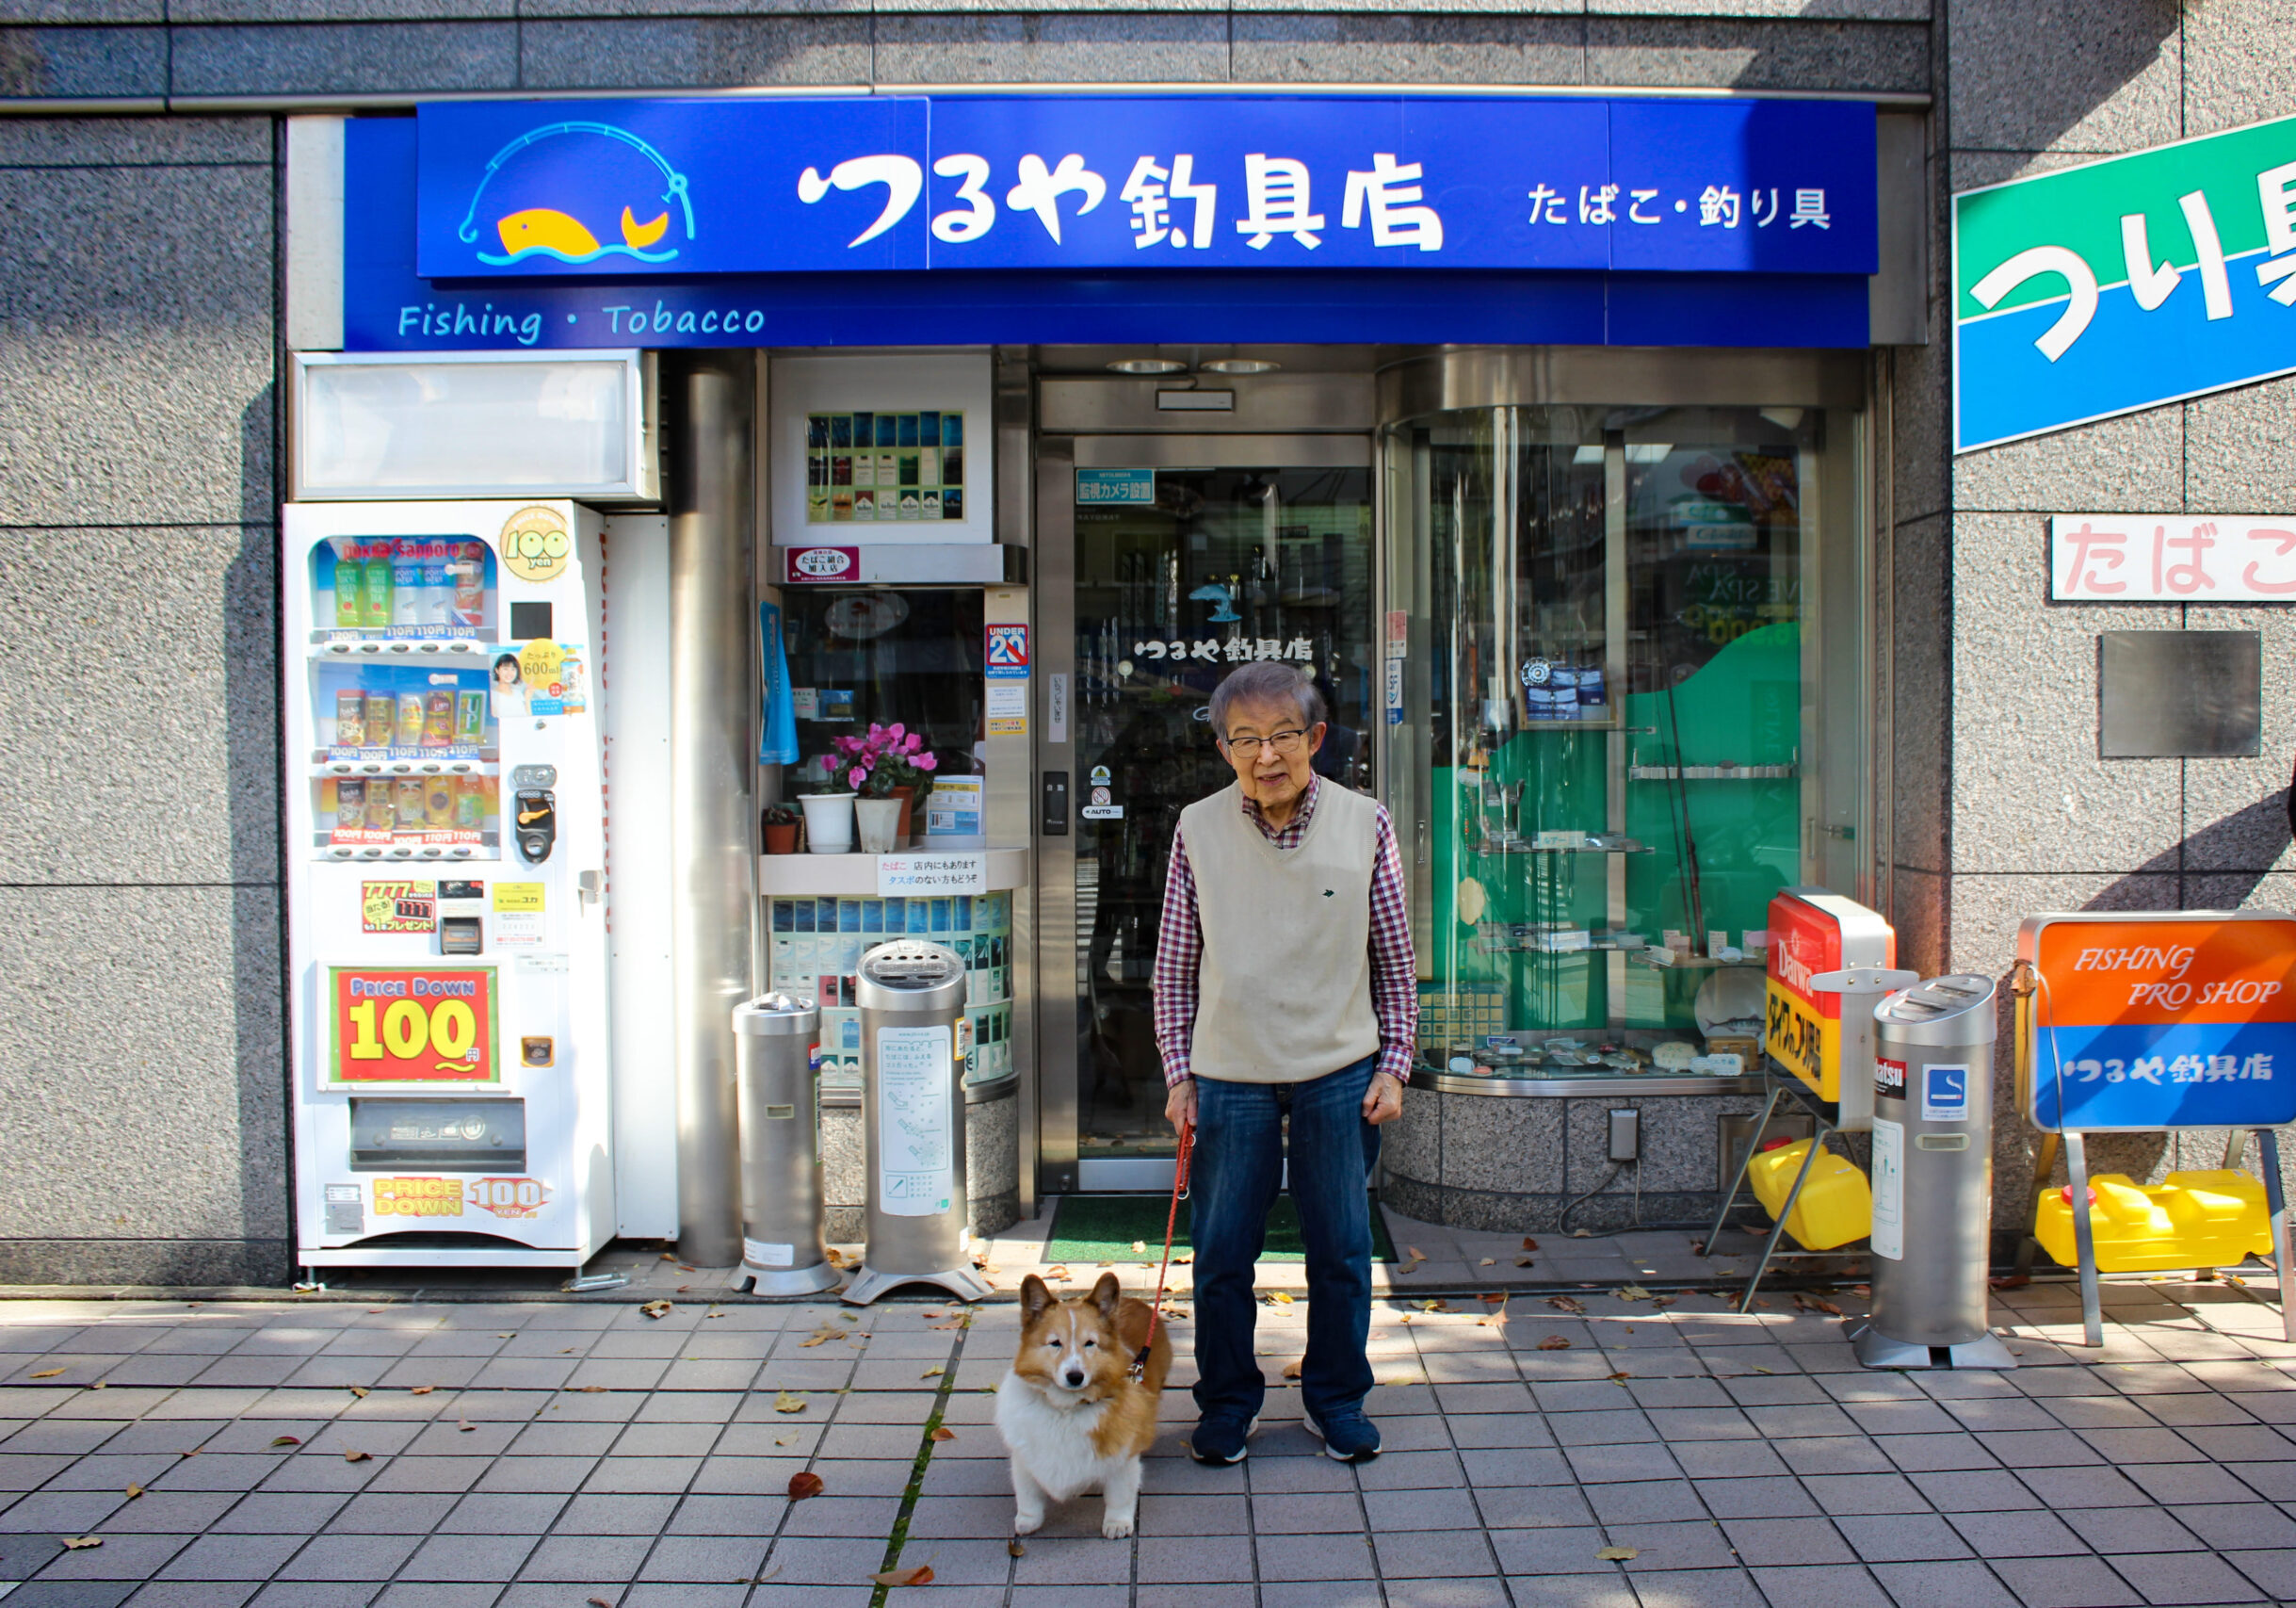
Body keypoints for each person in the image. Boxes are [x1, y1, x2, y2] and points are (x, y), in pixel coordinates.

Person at [1152, 659, 1417, 1466]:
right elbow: (1172, 968)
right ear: (1224, 748)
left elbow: (1395, 962)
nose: (1266, 756)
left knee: (1340, 1249)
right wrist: (1178, 1073)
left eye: (1283, 737)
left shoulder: (1364, 821)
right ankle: (1228, 1404)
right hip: (1229, 1073)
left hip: (1340, 1067)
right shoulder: (1196, 827)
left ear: (1317, 739)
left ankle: (1336, 1399)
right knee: (1223, 1252)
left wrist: (1395, 1063)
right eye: (1245, 740)